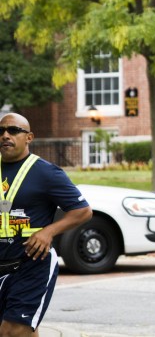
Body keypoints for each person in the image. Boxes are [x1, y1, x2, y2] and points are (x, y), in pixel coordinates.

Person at [0, 113, 93, 336]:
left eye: (13, 130)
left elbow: (83, 211)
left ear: (29, 137)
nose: (5, 135)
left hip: (31, 264)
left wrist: (48, 232)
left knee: (13, 331)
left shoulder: (46, 172)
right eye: (1, 131)